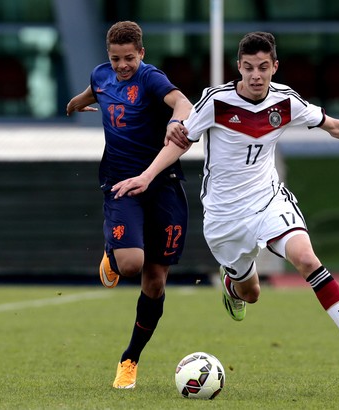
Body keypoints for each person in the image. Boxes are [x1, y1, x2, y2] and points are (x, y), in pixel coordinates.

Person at [113, 31, 339, 374]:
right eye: (248, 67)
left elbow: (335, 127)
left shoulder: (286, 101)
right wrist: (146, 176)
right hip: (224, 217)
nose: (255, 75)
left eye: (263, 67)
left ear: (274, 67)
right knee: (250, 293)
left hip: (268, 201)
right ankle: (231, 284)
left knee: (306, 258)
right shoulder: (215, 101)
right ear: (238, 67)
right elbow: (180, 142)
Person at [66, 21, 192, 389]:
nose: (122, 65)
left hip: (163, 185)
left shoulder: (152, 79)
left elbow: (181, 101)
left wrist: (176, 122)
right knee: (131, 264)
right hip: (120, 184)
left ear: (142, 54)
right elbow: (95, 89)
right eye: (115, 58)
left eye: (129, 58)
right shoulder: (102, 74)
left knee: (155, 283)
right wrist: (77, 102)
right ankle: (112, 250)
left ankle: (130, 359)